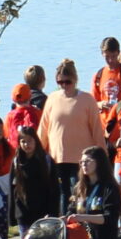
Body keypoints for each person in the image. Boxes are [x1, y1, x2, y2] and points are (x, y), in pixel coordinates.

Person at [39, 58, 107, 207]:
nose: (64, 86)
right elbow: (44, 128)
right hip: (58, 157)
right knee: (64, 193)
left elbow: (97, 130)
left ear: (74, 79)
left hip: (81, 158)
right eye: (60, 82)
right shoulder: (52, 99)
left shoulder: (87, 100)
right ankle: (66, 225)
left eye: (67, 82)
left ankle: (83, 224)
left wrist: (103, 156)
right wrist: (38, 152)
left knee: (80, 191)